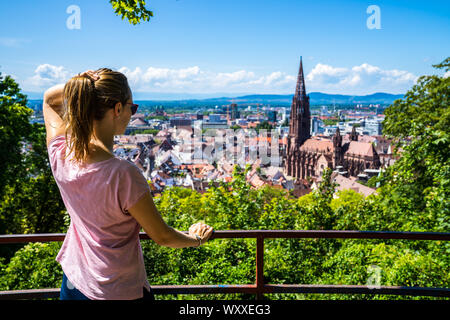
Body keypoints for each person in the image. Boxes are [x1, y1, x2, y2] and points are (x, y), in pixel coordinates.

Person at [43, 68, 213, 300]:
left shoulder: (61, 154)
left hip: (75, 280)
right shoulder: (123, 174)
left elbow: (49, 101)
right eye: (132, 108)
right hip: (117, 288)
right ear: (118, 109)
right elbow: (162, 236)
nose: (133, 114)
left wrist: (86, 87)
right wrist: (197, 239)